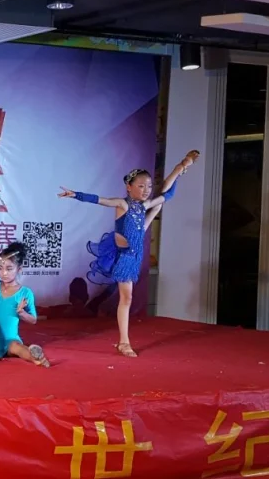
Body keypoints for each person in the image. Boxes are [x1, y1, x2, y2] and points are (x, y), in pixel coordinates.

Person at [59, 150, 199, 357]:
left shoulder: (145, 205)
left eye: (148, 186)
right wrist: (76, 195)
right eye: (141, 186)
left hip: (136, 255)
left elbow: (167, 195)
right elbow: (101, 200)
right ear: (129, 187)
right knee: (127, 298)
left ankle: (181, 166)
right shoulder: (122, 204)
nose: (146, 190)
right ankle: (124, 342)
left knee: (159, 205)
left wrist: (180, 170)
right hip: (124, 256)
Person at [0, 219, 49, 367]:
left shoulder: (25, 293)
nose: (4, 273)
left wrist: (22, 313)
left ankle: (37, 358)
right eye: (0, 268)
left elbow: (33, 320)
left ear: (19, 269)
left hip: (9, 339)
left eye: (9, 269)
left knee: (16, 347)